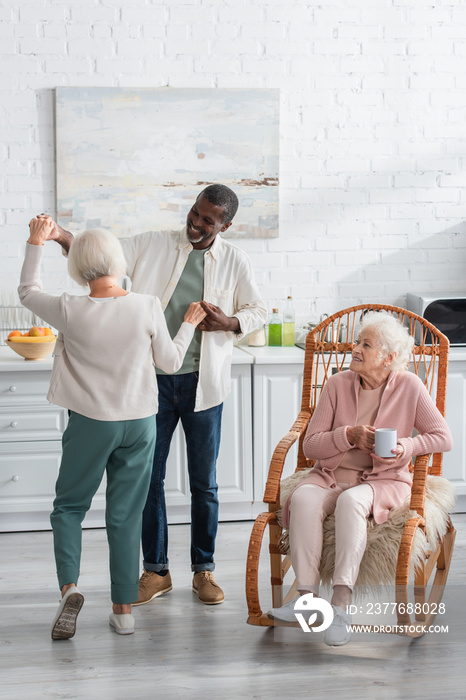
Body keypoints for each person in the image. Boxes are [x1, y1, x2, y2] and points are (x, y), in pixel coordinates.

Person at [35, 184, 267, 605]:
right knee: (148, 482)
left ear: (226, 225)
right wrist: (58, 236)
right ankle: (155, 571)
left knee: (205, 484)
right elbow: (100, 256)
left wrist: (230, 323)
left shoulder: (235, 260)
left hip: (203, 383)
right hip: (149, 384)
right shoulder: (153, 244)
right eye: (194, 213)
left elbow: (258, 310)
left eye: (207, 220)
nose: (196, 223)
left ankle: (204, 570)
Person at [19, 217, 206, 639]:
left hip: (91, 424)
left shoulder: (69, 308)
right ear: (117, 261)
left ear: (79, 266)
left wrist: (36, 242)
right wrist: (190, 323)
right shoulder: (147, 305)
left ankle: (69, 588)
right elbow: (171, 364)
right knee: (125, 515)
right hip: (140, 424)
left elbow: (27, 291)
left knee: (69, 508)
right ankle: (123, 610)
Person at [268, 312, 452, 646]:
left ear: (388, 358)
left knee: (352, 501)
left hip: (384, 482)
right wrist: (348, 435)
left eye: (365, 344)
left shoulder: (409, 386)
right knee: (304, 500)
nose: (355, 349)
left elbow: (442, 436)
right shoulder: (337, 385)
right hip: (331, 475)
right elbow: (311, 445)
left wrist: (406, 446)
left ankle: (341, 603)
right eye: (357, 342)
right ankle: (307, 601)